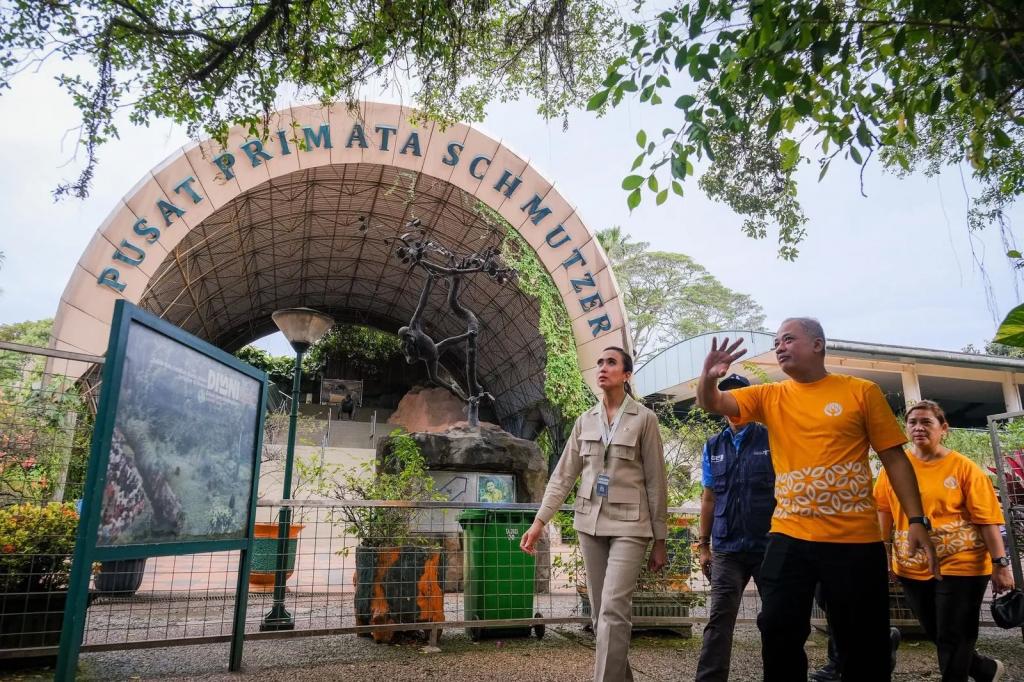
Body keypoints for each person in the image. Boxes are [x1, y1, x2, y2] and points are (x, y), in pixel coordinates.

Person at [696, 318, 939, 682]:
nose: (779, 347)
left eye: (788, 339)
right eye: (776, 342)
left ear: (818, 345)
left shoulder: (861, 391)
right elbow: (712, 402)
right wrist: (708, 374)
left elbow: (894, 459)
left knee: (862, 641)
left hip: (854, 541)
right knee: (777, 628)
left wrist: (917, 520)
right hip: (788, 537)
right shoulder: (770, 395)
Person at [521, 346, 668, 682]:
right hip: (589, 524)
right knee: (603, 614)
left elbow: (656, 482)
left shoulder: (645, 419)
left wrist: (660, 539)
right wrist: (539, 521)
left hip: (631, 525)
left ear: (626, 374)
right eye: (600, 362)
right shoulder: (584, 420)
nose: (603, 367)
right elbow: (562, 476)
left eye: (611, 363)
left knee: (614, 610)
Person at [875, 399, 1014, 682]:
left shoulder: (964, 468)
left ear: (944, 429)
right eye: (913, 423)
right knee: (937, 631)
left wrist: (1001, 564)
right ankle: (984, 669)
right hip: (911, 566)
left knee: (954, 634)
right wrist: (883, 555)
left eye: (927, 422)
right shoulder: (893, 469)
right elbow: (883, 512)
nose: (918, 428)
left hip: (961, 564)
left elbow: (987, 519)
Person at [694, 373, 774, 682]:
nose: (732, 404)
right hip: (727, 548)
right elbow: (709, 498)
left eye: (739, 397)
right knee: (719, 621)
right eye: (725, 397)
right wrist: (703, 546)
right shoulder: (713, 445)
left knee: (777, 620)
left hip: (769, 545)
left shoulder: (772, 438)